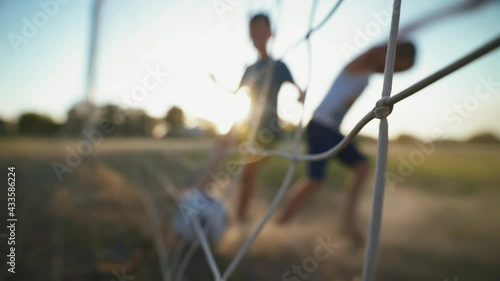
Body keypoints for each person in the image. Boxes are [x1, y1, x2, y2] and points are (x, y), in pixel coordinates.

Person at [277, 42, 417, 242]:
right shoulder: (357, 66)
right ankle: (280, 223)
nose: (394, 71)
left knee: (362, 167)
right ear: (390, 54)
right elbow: (385, 43)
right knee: (315, 180)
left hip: (332, 130)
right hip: (319, 126)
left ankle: (347, 224)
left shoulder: (366, 75)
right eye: (397, 66)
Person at [201, 14, 302, 221]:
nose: (257, 36)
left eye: (261, 31)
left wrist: (302, 96)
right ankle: (203, 191)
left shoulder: (279, 66)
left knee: (249, 172)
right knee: (223, 142)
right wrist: (217, 83)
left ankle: (241, 217)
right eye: (253, 32)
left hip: (268, 128)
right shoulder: (250, 68)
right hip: (248, 123)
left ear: (270, 34)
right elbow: (237, 92)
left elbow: (298, 91)